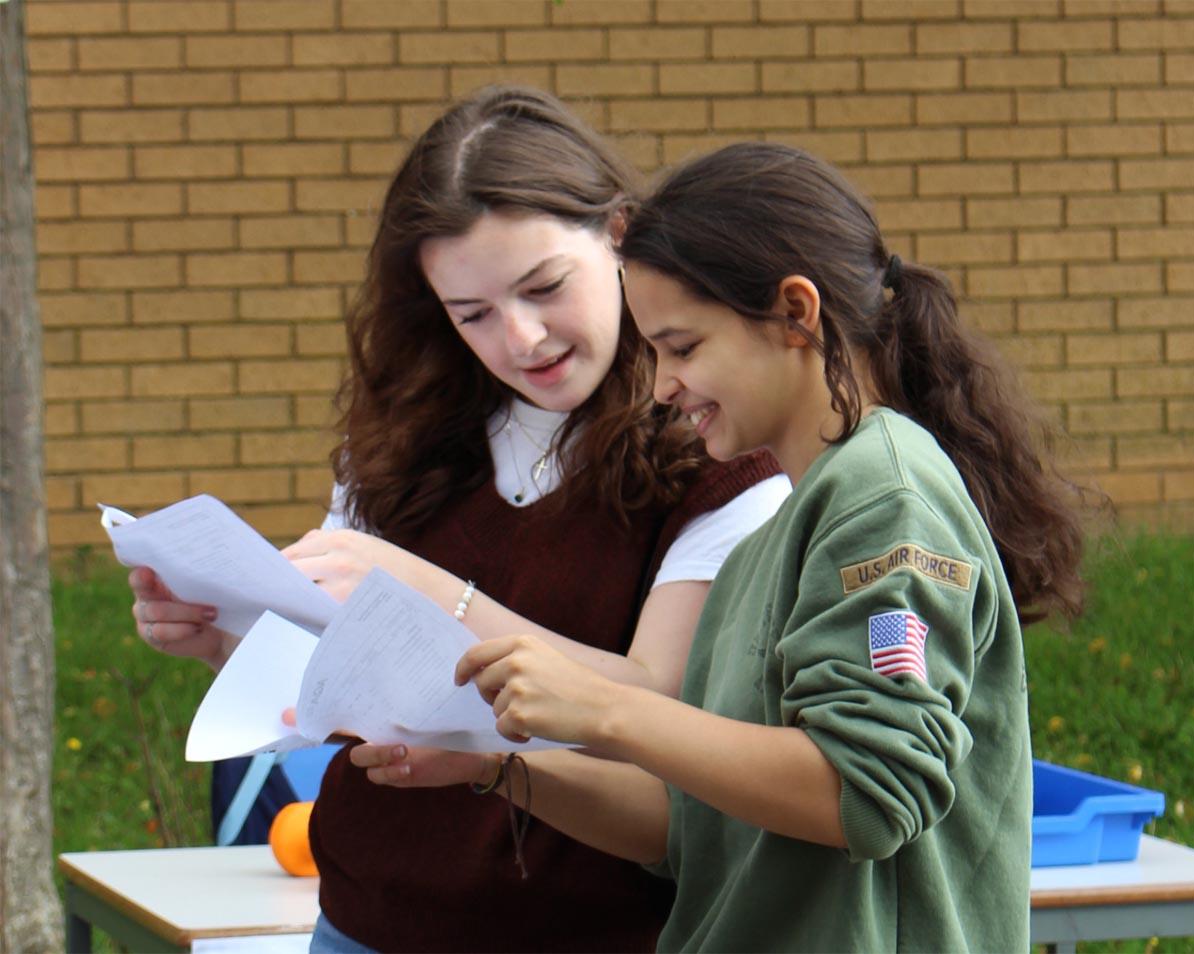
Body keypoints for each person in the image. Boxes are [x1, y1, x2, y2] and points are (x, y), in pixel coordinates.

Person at [355, 141, 1088, 953]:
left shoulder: (886, 500)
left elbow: (871, 793)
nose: (662, 384)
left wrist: (604, 707)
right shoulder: (765, 546)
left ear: (796, 314)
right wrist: (493, 763)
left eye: (683, 347)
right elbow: (688, 828)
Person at [127, 89, 789, 953]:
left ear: (619, 234)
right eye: (471, 313)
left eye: (544, 287)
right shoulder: (407, 434)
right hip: (363, 920)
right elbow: (348, 682)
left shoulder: (722, 449)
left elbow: (655, 704)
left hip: (591, 931)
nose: (522, 339)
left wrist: (437, 594)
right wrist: (225, 634)